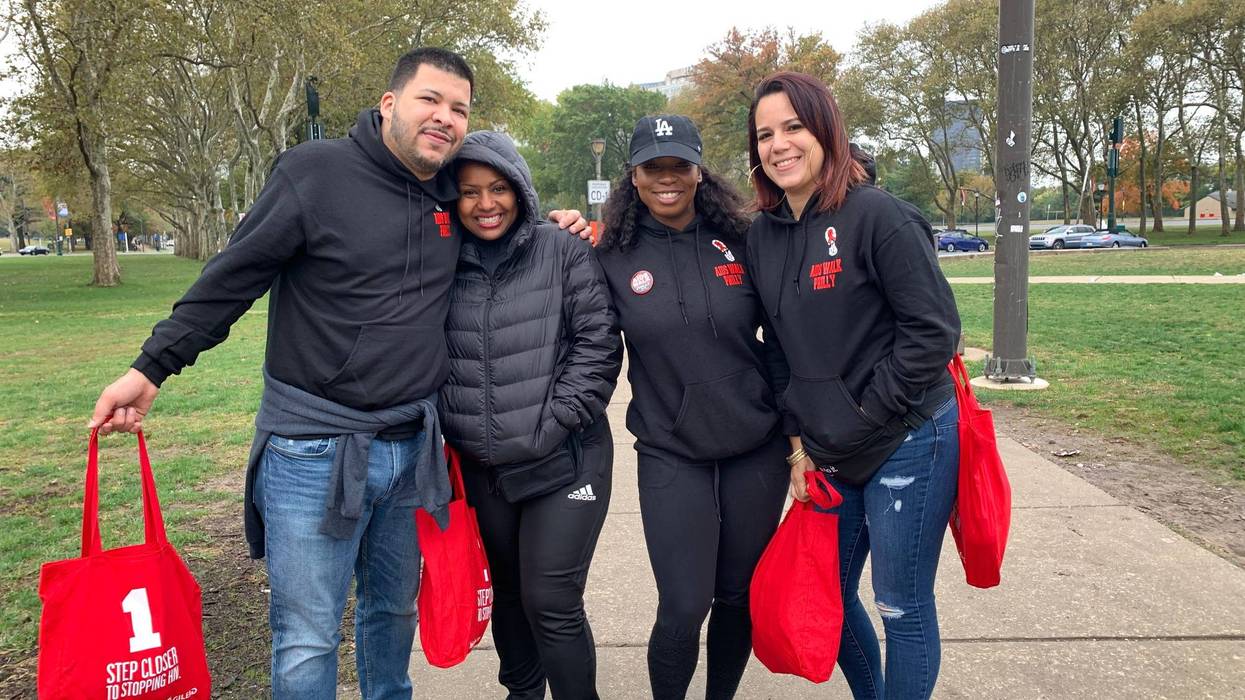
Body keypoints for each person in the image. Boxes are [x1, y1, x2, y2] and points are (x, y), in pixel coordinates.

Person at [87, 48, 586, 699]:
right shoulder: (313, 174)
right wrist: (149, 370)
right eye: (429, 100)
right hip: (312, 452)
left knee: (390, 618)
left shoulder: (444, 191)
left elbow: (497, 226)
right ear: (388, 104)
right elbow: (230, 281)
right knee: (307, 637)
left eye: (458, 108)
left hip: (412, 450)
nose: (444, 117)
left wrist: (553, 227)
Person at [744, 71, 962, 700]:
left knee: (901, 606)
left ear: (825, 130)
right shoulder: (762, 234)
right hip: (829, 452)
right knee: (827, 598)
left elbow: (934, 334)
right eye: (765, 134)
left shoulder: (880, 216)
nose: (780, 144)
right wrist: (798, 444)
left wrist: (865, 414)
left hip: (908, 437)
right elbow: (778, 349)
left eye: (794, 127)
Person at [595, 115, 790, 699]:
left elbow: (785, 341)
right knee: (683, 604)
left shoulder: (747, 239)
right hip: (670, 450)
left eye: (679, 165)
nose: (667, 179)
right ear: (634, 175)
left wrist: (801, 438)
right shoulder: (609, 253)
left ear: (699, 170)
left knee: (737, 595)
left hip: (755, 446)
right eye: (653, 167)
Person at [439, 130, 621, 699]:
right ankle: (523, 692)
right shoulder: (440, 259)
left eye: (497, 188)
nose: (485, 204)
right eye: (470, 192)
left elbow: (598, 341)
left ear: (519, 189)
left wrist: (557, 420)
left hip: (564, 457)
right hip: (484, 465)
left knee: (551, 598)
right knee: (511, 594)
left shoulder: (562, 247)